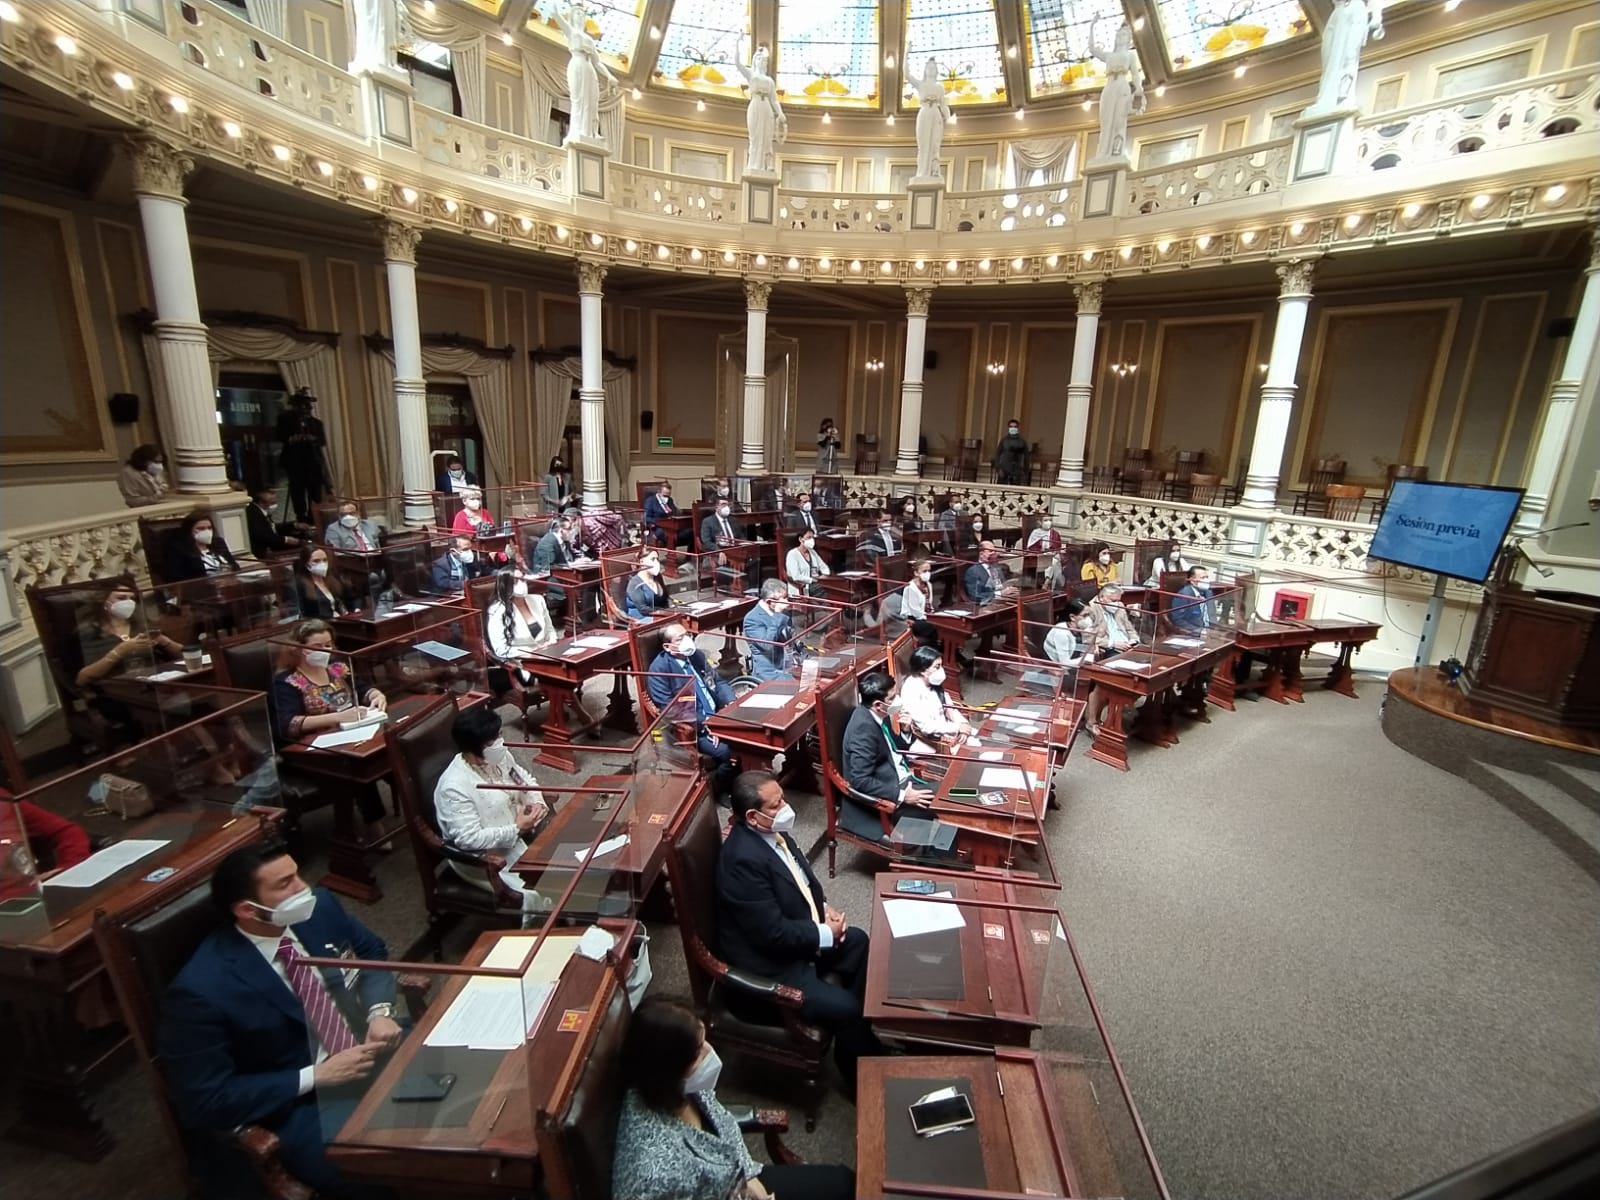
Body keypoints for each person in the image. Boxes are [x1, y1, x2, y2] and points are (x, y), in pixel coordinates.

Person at [159, 842, 398, 1199]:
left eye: (297, 874)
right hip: (300, 1105)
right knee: (392, 1169)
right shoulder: (200, 992)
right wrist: (314, 1076)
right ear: (247, 909)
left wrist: (379, 1011)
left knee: (472, 1088)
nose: (304, 888)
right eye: (285, 884)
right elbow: (205, 1100)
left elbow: (371, 953)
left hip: (367, 1047)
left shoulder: (319, 910)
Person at [717, 771, 884, 1090]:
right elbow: (772, 935)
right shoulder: (742, 861)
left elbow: (801, 880)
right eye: (777, 803)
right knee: (847, 1009)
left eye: (783, 798)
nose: (786, 807)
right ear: (752, 816)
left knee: (859, 942)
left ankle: (851, 1039)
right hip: (772, 968)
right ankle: (863, 1080)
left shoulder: (774, 834)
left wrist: (823, 909)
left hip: (798, 934)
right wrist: (825, 933)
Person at [613, 993, 855, 1200]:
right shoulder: (651, 1174)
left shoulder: (677, 1085)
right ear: (671, 1068)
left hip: (737, 1183)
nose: (710, 1052)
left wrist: (750, 1178)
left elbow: (724, 1126)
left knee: (844, 1183)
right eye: (699, 1051)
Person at [434, 706, 552, 923]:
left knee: (561, 865)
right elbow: (468, 839)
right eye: (491, 741)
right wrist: (516, 828)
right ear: (472, 749)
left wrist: (535, 801)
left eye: (499, 735)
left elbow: (522, 779)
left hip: (517, 836)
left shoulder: (498, 755)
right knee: (539, 890)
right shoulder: (454, 787)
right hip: (486, 858)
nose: (499, 743)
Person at [271, 620, 388, 835]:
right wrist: (338, 717)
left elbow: (362, 688)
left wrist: (375, 694)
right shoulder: (287, 681)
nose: (325, 651)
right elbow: (288, 724)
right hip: (310, 750)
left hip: (350, 734)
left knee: (390, 749)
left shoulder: (337, 668)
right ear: (299, 649)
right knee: (357, 763)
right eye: (317, 646)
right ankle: (373, 824)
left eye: (328, 645)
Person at [840, 672, 935, 843]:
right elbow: (859, 780)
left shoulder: (877, 716)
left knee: (955, 795)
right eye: (893, 697)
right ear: (878, 704)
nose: (899, 700)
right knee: (949, 806)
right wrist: (902, 795)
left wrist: (905, 731)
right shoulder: (862, 729)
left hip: (904, 779)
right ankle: (935, 862)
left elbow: (892, 750)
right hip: (890, 797)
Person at [646, 622, 737, 795]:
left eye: (687, 635)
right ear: (667, 646)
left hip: (720, 715)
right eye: (681, 638)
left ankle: (742, 779)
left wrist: (732, 702)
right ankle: (722, 790)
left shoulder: (696, 656)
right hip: (696, 725)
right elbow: (671, 710)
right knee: (725, 751)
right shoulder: (659, 670)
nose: (688, 640)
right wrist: (708, 724)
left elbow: (718, 681)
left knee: (752, 736)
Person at [484, 568, 556, 688]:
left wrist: (552, 643)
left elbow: (550, 630)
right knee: (558, 681)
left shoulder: (538, 600)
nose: (522, 584)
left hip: (549, 655)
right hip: (523, 662)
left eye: (523, 579)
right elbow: (501, 649)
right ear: (506, 585)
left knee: (572, 670)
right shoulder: (497, 611)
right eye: (517, 581)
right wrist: (531, 653)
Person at [275, 388, 331, 525]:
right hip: (294, 460)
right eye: (302, 406)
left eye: (307, 406)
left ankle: (315, 517)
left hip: (313, 460)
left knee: (315, 490)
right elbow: (278, 436)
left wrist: (312, 438)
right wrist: (292, 438)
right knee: (297, 490)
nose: (306, 409)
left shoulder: (316, 423)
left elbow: (322, 441)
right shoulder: (285, 419)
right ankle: (301, 517)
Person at [896, 645, 972, 745]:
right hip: (933, 740)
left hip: (949, 729)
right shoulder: (911, 691)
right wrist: (957, 727)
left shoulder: (932, 681)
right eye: (937, 667)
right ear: (923, 670)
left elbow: (949, 708)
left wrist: (963, 724)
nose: (941, 670)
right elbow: (927, 727)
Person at [742, 580, 796, 682]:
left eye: (786, 597)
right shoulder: (752, 619)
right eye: (783, 598)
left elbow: (791, 638)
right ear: (770, 602)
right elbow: (768, 646)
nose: (787, 602)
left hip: (790, 665)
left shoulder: (783, 613)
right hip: (771, 672)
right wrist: (777, 615)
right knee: (803, 688)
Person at [166, 510, 241, 581]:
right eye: (201, 528)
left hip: (229, 584)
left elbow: (235, 566)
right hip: (202, 589)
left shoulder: (218, 542)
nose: (207, 531)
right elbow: (176, 577)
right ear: (189, 530)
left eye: (209, 528)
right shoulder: (179, 548)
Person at [533, 513, 578, 616]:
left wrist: (578, 562)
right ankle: (572, 618)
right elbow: (549, 567)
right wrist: (570, 566)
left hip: (563, 574)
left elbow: (568, 559)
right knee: (577, 588)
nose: (572, 531)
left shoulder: (564, 540)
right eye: (570, 529)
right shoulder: (547, 543)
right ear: (562, 531)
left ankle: (586, 616)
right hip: (547, 578)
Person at [294, 544, 350, 620]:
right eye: (316, 561)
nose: (322, 564)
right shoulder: (300, 584)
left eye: (325, 560)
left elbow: (345, 600)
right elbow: (302, 614)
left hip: (340, 620)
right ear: (306, 564)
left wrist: (353, 611)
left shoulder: (332, 578)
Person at [245, 487, 301, 557]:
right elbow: (263, 536)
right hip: (262, 551)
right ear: (262, 502)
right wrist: (286, 540)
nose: (275, 505)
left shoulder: (260, 511)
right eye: (273, 502)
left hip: (270, 545)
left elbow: (272, 528)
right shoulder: (253, 513)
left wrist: (294, 525)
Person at [1088, 584, 1139, 656]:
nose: (1116, 604)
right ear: (1101, 598)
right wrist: (1113, 644)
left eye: (1118, 600)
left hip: (1128, 645)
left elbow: (1130, 629)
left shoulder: (1120, 606)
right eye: (1113, 600)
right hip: (1111, 648)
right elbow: (1088, 638)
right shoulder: (1090, 610)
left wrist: (1134, 640)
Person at [625, 548, 673, 621]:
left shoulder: (658, 577)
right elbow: (643, 609)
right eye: (653, 559)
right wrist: (664, 612)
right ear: (642, 562)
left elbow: (666, 598)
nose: (656, 562)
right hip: (642, 618)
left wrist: (673, 608)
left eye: (657, 559)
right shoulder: (634, 583)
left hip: (660, 615)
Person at [964, 541, 1017, 606]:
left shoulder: (996, 568)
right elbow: (975, 596)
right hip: (986, 605)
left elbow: (1002, 584)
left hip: (1004, 600)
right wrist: (1000, 593)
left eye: (995, 551)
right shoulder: (973, 571)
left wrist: (1009, 588)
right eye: (991, 551)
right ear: (981, 554)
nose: (994, 553)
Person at [118, 443, 170, 507]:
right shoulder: (128, 473)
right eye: (156, 462)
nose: (159, 465)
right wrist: (154, 497)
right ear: (143, 460)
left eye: (160, 462)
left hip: (161, 507)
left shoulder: (154, 470)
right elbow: (132, 501)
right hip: (144, 512)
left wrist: (163, 488)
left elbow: (162, 485)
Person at [1044, 599, 1092, 666]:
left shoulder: (1080, 628)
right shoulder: (1062, 633)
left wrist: (1091, 648)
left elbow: (1076, 645)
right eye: (1085, 615)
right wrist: (1085, 659)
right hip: (1054, 669)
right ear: (1072, 617)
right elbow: (1065, 664)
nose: (1088, 619)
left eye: (1089, 615)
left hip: (1074, 659)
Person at [643, 482, 689, 548]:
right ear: (659, 492)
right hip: (659, 528)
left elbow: (674, 512)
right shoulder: (650, 501)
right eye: (665, 495)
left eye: (668, 495)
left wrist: (680, 512)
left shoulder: (670, 500)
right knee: (670, 535)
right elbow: (645, 518)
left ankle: (689, 556)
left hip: (673, 526)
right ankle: (671, 555)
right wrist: (659, 522)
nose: (667, 497)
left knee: (690, 532)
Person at [786, 529, 829, 597]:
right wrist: (812, 580)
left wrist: (825, 576)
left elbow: (824, 567)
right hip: (803, 587)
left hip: (817, 584)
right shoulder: (792, 554)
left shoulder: (812, 552)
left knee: (834, 589)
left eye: (812, 538)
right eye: (809, 537)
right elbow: (796, 576)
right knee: (828, 593)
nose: (812, 540)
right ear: (800, 539)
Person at [1172, 566, 1216, 633]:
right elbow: (1178, 620)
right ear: (1192, 581)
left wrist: (1215, 629)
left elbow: (1212, 614)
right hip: (1193, 634)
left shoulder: (1208, 592)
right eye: (1203, 578)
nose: (1206, 580)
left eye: (1207, 577)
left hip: (1211, 632)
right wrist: (1198, 631)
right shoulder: (1184, 595)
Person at [993, 419, 1030, 485]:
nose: (1013, 428)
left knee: (1015, 492)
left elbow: (1027, 457)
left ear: (1018, 428)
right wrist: (998, 468)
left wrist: (1025, 470)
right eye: (1011, 427)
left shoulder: (1022, 442)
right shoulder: (1004, 440)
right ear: (1008, 428)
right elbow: (997, 454)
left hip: (1017, 470)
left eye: (1015, 427)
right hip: (1004, 469)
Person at [901, 558, 935, 623]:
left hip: (926, 616)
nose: (928, 573)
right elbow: (915, 611)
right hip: (913, 619)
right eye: (924, 571)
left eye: (929, 571)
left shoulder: (929, 584)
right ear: (916, 573)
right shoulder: (910, 588)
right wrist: (929, 619)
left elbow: (930, 605)